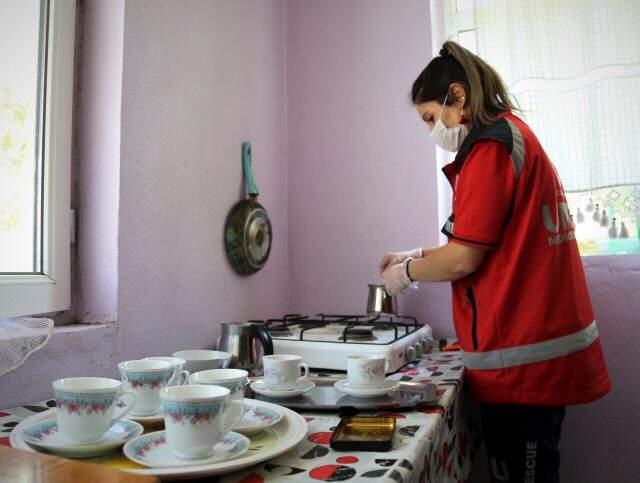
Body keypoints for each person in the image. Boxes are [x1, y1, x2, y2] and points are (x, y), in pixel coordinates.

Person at [379, 41, 611, 483]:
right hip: (531, 349)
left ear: (458, 96)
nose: (433, 130)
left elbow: (464, 258)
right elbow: (485, 243)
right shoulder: (510, 135)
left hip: (524, 358)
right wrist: (417, 254)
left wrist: (406, 273)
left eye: (431, 117)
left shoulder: (491, 149)